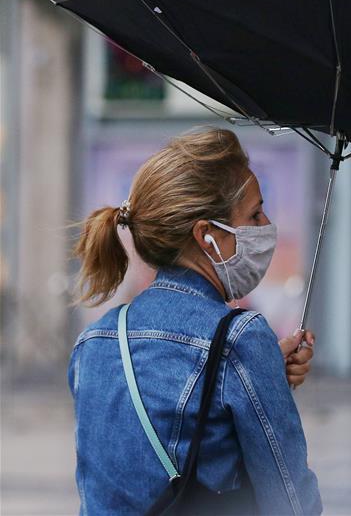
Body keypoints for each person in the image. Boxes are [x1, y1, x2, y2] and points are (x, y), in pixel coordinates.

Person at [67, 127, 322, 515]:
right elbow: (291, 501)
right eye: (255, 214)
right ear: (207, 235)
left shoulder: (93, 341)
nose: (266, 224)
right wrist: (259, 373)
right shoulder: (241, 339)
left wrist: (265, 375)